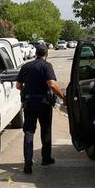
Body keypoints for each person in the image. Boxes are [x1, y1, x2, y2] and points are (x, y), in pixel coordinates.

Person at [15, 42, 67, 174]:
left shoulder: (26, 66)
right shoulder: (46, 66)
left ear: (36, 53)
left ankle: (28, 160)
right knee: (46, 130)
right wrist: (64, 97)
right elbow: (52, 84)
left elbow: (18, 85)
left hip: (29, 103)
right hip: (44, 103)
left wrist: (27, 89)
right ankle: (46, 158)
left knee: (29, 131)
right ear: (46, 54)